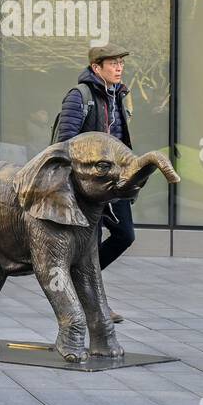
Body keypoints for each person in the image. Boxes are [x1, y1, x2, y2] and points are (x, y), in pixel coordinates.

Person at [53, 44, 135, 322]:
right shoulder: (80, 96)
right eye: (112, 63)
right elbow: (65, 141)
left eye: (120, 63)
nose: (119, 68)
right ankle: (96, 306)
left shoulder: (119, 96)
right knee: (92, 242)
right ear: (96, 68)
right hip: (88, 186)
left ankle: (81, 279)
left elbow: (121, 139)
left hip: (113, 184)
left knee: (125, 235)